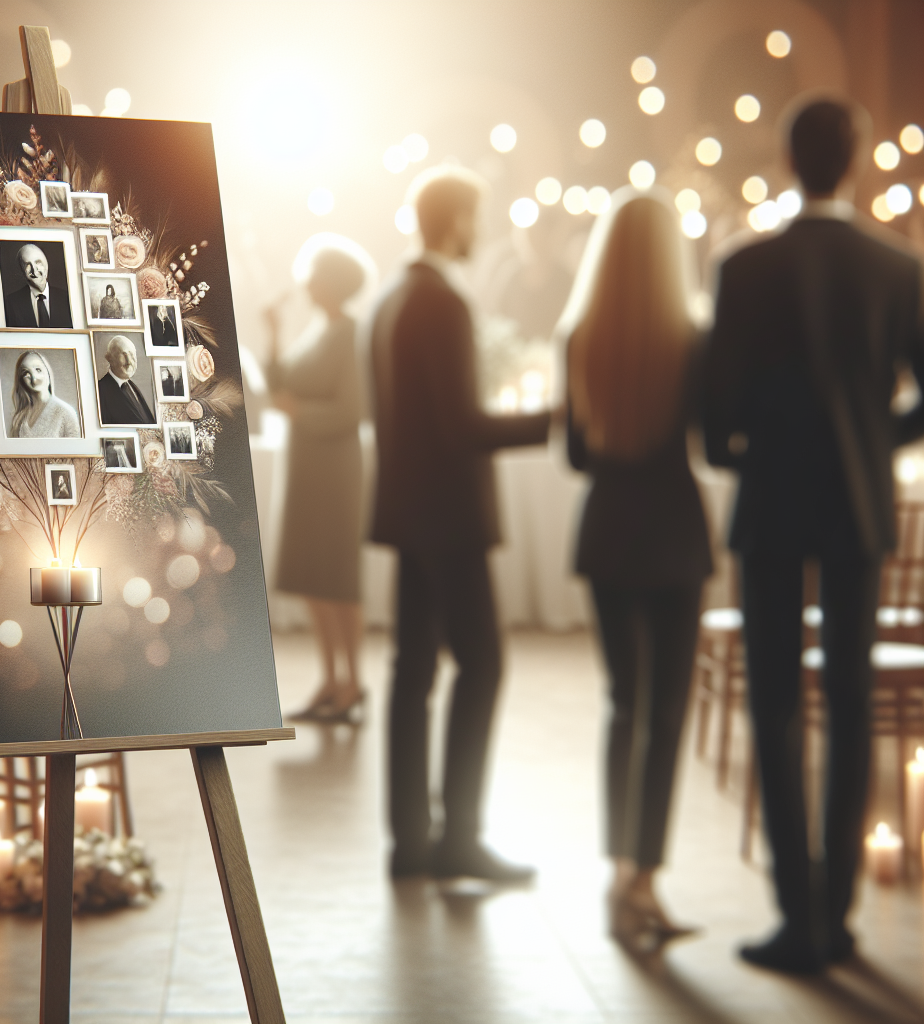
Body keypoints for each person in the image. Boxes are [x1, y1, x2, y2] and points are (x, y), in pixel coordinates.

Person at [704, 98, 924, 974]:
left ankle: (797, 915)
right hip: (861, 505)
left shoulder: (744, 265)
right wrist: (877, 443)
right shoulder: (899, 265)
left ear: (789, 158)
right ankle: (839, 915)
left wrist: (743, 448)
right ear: (858, 159)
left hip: (770, 505)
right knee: (850, 703)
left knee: (775, 702)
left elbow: (715, 419)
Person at [370, 166, 551, 881]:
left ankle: (410, 841)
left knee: (412, 672)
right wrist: (555, 420)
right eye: (478, 217)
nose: (484, 231)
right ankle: (459, 838)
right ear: (455, 220)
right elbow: (463, 426)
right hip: (448, 515)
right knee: (482, 665)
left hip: (410, 511)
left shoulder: (392, 295)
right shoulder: (441, 301)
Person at [561, 190, 711, 951]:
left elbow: (577, 455)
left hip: (608, 532)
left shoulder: (579, 335)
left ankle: (617, 874)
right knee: (669, 713)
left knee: (624, 705)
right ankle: (645, 879)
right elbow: (712, 445)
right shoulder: (691, 337)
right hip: (676, 533)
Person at [263, 235, 371, 722]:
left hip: (334, 467)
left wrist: (299, 412)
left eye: (314, 274)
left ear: (330, 281)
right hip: (306, 464)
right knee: (312, 576)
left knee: (337, 579)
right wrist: (273, 333)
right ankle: (331, 679)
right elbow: (279, 383)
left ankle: (353, 680)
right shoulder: (317, 330)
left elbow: (353, 409)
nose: (306, 282)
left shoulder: (350, 333)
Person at [10, 349, 81, 438]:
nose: (34, 377)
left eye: (38, 370)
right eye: (26, 373)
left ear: (48, 372)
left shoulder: (65, 412)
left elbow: (75, 449)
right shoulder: (20, 417)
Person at [4, 243, 72, 328]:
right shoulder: (10, 303)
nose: (34, 270)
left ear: (46, 265)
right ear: (22, 271)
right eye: (27, 265)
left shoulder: (68, 299)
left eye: (38, 262)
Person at [97, 335, 156, 425]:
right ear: (109, 358)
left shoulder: (132, 387)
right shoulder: (100, 391)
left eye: (132, 355)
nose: (129, 361)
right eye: (123, 355)